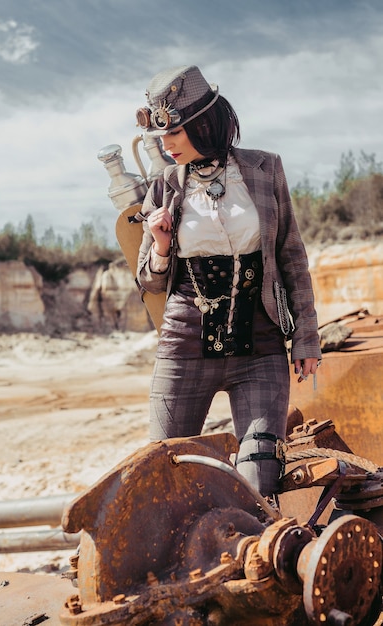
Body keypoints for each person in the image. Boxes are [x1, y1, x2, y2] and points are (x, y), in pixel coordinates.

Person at [134, 65, 321, 498]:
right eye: (161, 135)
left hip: (261, 345)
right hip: (184, 344)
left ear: (202, 123)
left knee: (260, 477)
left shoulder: (264, 168)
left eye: (174, 132)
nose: (166, 144)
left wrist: (306, 338)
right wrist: (161, 244)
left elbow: (292, 257)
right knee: (165, 469)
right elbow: (149, 281)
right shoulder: (163, 185)